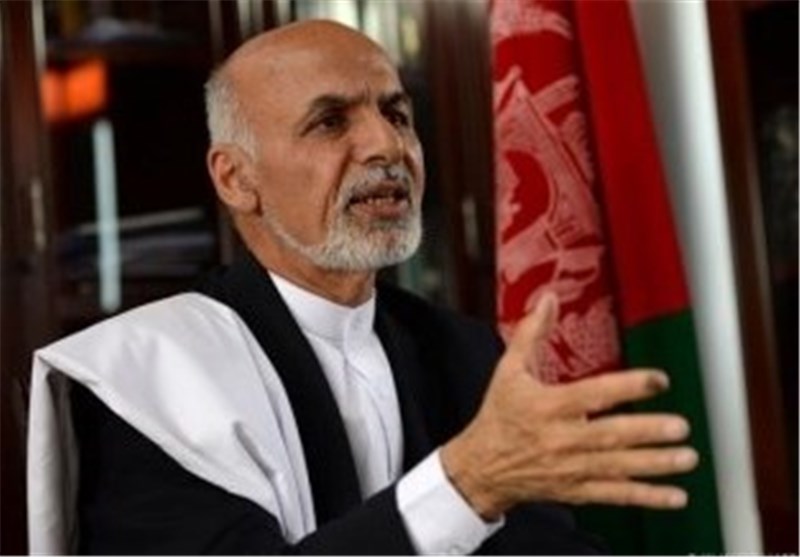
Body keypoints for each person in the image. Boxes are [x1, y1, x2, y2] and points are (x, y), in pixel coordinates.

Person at [27, 20, 698, 555]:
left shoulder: (464, 351)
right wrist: (464, 485)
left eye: (397, 114)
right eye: (330, 122)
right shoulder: (142, 381)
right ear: (236, 178)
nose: (386, 146)